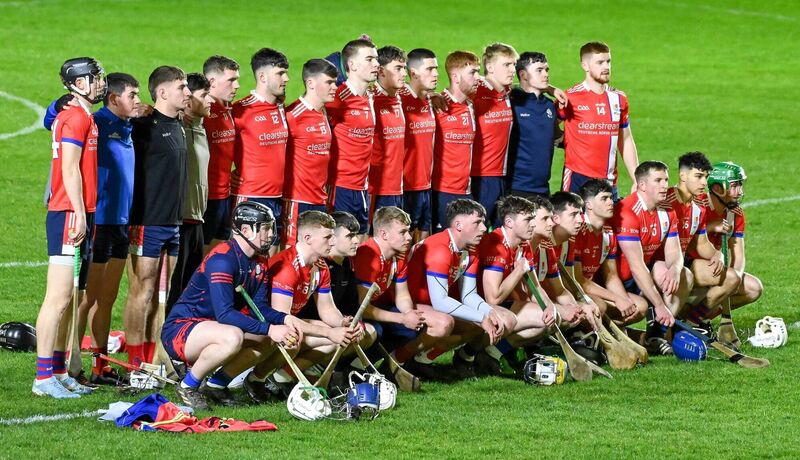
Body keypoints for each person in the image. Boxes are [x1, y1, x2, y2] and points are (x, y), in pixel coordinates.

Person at [162, 201, 299, 410]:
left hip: (214, 326)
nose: (270, 234)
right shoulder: (223, 259)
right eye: (265, 228)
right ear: (245, 230)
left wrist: (284, 320)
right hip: (183, 328)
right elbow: (225, 314)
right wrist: (271, 329)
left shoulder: (259, 260)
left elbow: (259, 308)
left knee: (267, 340)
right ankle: (188, 386)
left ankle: (217, 384)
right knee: (233, 336)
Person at [34, 57, 106, 399]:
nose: (99, 83)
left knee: (69, 298)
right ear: (77, 83)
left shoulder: (84, 117)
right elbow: (70, 170)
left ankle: (59, 371)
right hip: (68, 213)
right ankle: (42, 377)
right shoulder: (74, 118)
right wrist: (78, 212)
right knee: (58, 299)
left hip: (78, 212)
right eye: (94, 78)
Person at [244, 211, 370, 399]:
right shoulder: (287, 266)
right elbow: (282, 317)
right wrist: (330, 332)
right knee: (296, 338)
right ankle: (254, 378)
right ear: (308, 238)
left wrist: (344, 325)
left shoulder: (320, 265)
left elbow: (327, 310)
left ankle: (280, 378)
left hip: (282, 324)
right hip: (256, 325)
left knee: (335, 339)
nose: (332, 242)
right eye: (328, 237)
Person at [125, 65, 190, 367]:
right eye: (181, 87)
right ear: (163, 92)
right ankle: (137, 363)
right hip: (146, 222)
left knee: (163, 294)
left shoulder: (179, 124)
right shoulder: (143, 125)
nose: (187, 92)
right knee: (143, 291)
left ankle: (157, 359)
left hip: (173, 224)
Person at [405, 199, 506, 379]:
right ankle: (397, 361)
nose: (484, 228)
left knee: (475, 326)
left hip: (430, 304)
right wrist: (482, 317)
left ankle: (422, 360)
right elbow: (440, 301)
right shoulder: (439, 248)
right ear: (458, 225)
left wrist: (489, 313)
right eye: (477, 222)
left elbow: (468, 295)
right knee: (445, 323)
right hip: (409, 303)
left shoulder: (469, 250)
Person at [352, 207, 454, 381]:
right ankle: (352, 368)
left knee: (419, 324)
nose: (408, 237)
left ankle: (393, 363)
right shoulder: (368, 255)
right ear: (384, 234)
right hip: (355, 313)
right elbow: (362, 308)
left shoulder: (397, 257)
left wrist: (409, 314)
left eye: (408, 231)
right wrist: (401, 319)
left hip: (380, 308)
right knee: (376, 331)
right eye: (403, 232)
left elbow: (402, 295)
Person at [612, 161, 692, 355]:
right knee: (639, 308)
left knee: (684, 275)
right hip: (619, 280)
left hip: (640, 275)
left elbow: (675, 253)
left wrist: (674, 269)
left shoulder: (667, 211)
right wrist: (659, 305)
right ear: (642, 185)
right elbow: (636, 266)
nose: (665, 185)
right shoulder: (627, 212)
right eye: (658, 180)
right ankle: (608, 332)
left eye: (666, 179)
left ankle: (657, 332)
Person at [474, 196, 557, 376]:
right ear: (509, 222)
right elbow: (493, 298)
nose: (532, 225)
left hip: (498, 303)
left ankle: (491, 354)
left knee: (547, 319)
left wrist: (549, 306)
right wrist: (518, 271)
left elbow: (535, 286)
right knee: (507, 319)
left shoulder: (524, 245)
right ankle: (467, 355)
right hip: (474, 303)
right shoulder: (495, 245)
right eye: (528, 220)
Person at [661, 153, 740, 330]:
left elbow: (701, 242)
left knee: (732, 278)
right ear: (683, 176)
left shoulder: (698, 206)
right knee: (683, 277)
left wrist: (716, 254)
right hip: (662, 264)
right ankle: (662, 333)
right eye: (698, 176)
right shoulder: (665, 202)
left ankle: (692, 322)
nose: (704, 183)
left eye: (705, 177)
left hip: (683, 262)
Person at [560, 41, 638, 198]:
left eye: (608, 61)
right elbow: (546, 126)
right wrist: (561, 140)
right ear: (585, 66)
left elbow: (626, 139)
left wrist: (636, 179)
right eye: (600, 62)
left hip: (608, 182)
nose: (606, 67)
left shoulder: (619, 98)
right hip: (577, 179)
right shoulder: (570, 97)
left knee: (609, 223)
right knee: (573, 222)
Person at [688, 162, 762, 326]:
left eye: (740, 185)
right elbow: (684, 241)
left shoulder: (736, 213)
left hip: (712, 268)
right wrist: (711, 226)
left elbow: (738, 252)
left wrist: (734, 280)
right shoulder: (697, 206)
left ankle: (700, 318)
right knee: (731, 278)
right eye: (735, 186)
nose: (740, 191)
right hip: (688, 267)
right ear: (717, 188)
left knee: (754, 288)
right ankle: (691, 323)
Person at [231, 48, 290, 255]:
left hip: (278, 198)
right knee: (246, 261)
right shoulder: (241, 111)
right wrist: (226, 175)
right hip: (251, 197)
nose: (287, 79)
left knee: (270, 263)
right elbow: (216, 142)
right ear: (262, 76)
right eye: (280, 73)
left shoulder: (281, 108)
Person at [572, 179, 648, 325]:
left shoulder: (608, 232)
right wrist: (616, 299)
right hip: (573, 289)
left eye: (610, 198)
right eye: (604, 198)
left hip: (591, 288)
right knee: (599, 306)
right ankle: (582, 337)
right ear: (588, 205)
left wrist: (624, 301)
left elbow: (611, 276)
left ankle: (604, 334)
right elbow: (579, 281)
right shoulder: (577, 230)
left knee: (640, 306)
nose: (610, 202)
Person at [167, 74, 213, 310]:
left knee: (190, 287)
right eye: (204, 95)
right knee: (174, 288)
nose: (210, 100)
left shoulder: (200, 126)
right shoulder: (177, 127)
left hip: (197, 218)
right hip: (180, 220)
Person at [282, 59, 338, 247]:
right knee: (292, 253)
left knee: (317, 255)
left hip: (320, 199)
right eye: (329, 82)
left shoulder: (324, 113)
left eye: (335, 82)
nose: (335, 87)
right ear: (311, 83)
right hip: (297, 201)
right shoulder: (292, 116)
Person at [326, 39, 379, 237]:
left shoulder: (370, 96)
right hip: (341, 188)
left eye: (376, 59)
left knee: (360, 247)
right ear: (352, 65)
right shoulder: (337, 99)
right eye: (370, 59)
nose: (376, 64)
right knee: (337, 250)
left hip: (363, 188)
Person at [431, 51, 479, 232]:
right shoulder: (437, 106)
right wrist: (429, 95)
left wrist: (549, 89)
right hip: (442, 192)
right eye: (472, 73)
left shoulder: (470, 105)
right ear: (455, 77)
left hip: (466, 192)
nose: (478, 78)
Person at [470, 43, 518, 223]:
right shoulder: (476, 92)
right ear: (489, 67)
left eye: (513, 64)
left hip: (502, 175)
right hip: (480, 176)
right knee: (477, 229)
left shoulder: (505, 91)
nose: (512, 69)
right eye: (506, 65)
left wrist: (550, 89)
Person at [506, 52, 560, 199]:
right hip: (515, 189)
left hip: (543, 189)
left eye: (546, 70)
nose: (546, 74)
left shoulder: (549, 105)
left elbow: (556, 138)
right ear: (523, 75)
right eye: (539, 70)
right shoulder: (511, 103)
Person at [201, 56, 240, 253]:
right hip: (206, 198)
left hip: (225, 196)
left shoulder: (228, 110)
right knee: (199, 257)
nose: (237, 86)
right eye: (231, 80)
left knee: (217, 254)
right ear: (212, 82)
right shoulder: (201, 111)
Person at [401, 48, 439, 242]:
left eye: (437, 68)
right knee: (404, 244)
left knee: (423, 244)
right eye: (430, 69)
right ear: (413, 72)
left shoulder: (431, 101)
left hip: (426, 185)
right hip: (406, 187)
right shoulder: (399, 100)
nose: (436, 74)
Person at [368, 46, 407, 220]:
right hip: (376, 189)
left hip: (398, 187)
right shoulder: (369, 99)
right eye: (398, 68)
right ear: (381, 71)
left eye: (404, 68)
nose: (403, 73)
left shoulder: (400, 96)